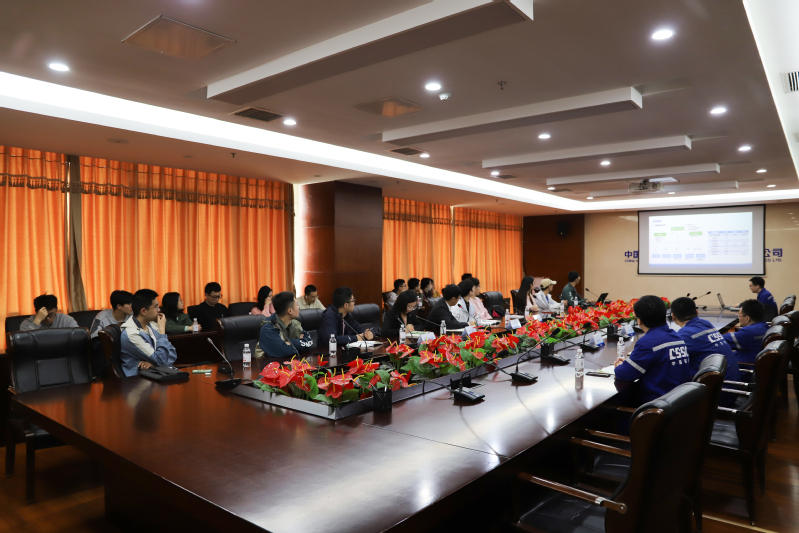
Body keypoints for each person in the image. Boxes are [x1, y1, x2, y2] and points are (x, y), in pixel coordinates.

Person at [614, 295, 691, 403]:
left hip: (657, 406)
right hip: (679, 402)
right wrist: (630, 363)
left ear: (639, 321)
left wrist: (619, 367)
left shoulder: (648, 342)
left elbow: (624, 374)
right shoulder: (677, 337)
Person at [670, 297, 741, 406]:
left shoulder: (685, 335)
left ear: (673, 316)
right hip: (733, 387)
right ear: (697, 312)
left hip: (718, 395)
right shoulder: (706, 323)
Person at [119, 289, 177, 377]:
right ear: (143, 311)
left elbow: (172, 354)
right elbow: (161, 360)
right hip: (138, 380)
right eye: (156, 307)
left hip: (156, 374)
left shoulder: (150, 325)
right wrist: (162, 330)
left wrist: (155, 365)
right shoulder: (131, 334)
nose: (159, 310)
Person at [257, 291, 313, 357]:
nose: (299, 307)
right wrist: (299, 344)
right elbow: (282, 352)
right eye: (297, 305)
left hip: (293, 362)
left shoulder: (295, 323)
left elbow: (309, 343)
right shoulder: (268, 328)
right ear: (290, 311)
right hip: (271, 363)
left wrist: (290, 342)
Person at [723, 299, 769, 365]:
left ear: (747, 318)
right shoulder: (765, 326)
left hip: (744, 366)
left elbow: (721, 340)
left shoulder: (748, 332)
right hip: (754, 360)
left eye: (739, 316)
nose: (739, 318)